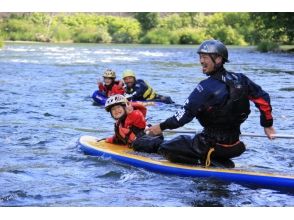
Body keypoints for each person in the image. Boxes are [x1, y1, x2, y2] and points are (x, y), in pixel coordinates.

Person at [146, 39, 276, 168]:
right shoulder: (241, 79)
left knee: (166, 147)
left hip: (210, 146)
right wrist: (267, 124)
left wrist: (161, 127)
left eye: (205, 57)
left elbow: (184, 116)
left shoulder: (205, 87)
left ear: (218, 59)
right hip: (234, 145)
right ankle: (221, 161)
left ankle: (207, 162)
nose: (201, 61)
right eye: (200, 57)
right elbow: (263, 99)